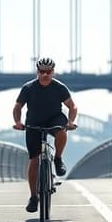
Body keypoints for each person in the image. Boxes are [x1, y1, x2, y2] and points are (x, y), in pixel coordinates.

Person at [12, 57, 78, 213]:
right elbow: (18, 106)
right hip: (34, 122)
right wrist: (17, 122)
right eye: (42, 72)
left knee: (61, 131)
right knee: (34, 160)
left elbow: (72, 106)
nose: (45, 75)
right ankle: (33, 197)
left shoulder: (59, 88)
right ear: (37, 72)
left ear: (53, 72)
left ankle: (58, 159)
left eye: (48, 72)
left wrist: (70, 121)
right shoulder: (28, 88)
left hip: (54, 119)